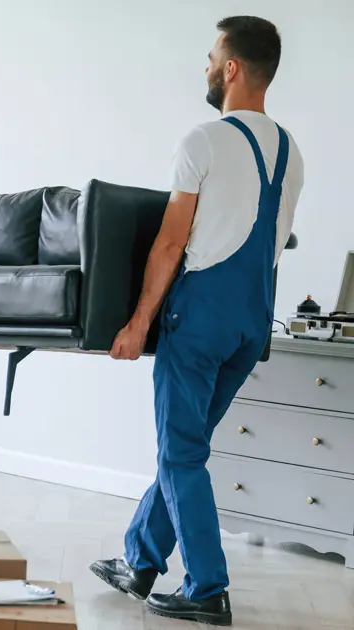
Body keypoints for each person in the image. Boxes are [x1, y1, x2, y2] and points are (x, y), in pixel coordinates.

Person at [90, 16, 303, 626]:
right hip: (251, 324)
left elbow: (169, 244)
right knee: (186, 447)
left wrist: (136, 324)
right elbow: (275, 241)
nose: (206, 66)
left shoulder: (204, 141)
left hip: (201, 317)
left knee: (180, 454)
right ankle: (140, 560)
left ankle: (208, 587)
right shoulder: (292, 154)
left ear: (232, 67)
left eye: (212, 56)